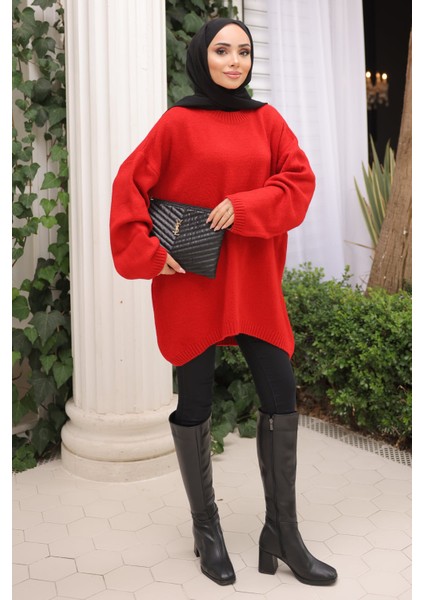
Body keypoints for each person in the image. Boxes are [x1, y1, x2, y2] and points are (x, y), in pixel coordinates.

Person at [110, 17, 337, 588]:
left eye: (243, 51)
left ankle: (282, 532)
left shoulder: (267, 121)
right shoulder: (177, 123)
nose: (234, 62)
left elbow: (299, 182)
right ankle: (206, 529)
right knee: (194, 402)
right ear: (201, 57)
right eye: (222, 51)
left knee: (281, 396)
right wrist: (149, 254)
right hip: (193, 284)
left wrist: (246, 205)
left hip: (252, 284)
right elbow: (127, 186)